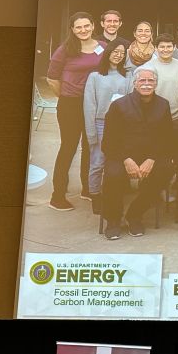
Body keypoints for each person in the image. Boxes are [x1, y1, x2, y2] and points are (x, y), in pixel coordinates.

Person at [100, 68, 173, 239]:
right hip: (121, 155)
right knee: (113, 175)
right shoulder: (119, 105)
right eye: (142, 80)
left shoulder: (163, 105)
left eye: (150, 81)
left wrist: (152, 159)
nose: (147, 84)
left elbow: (166, 137)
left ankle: (135, 214)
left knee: (165, 171)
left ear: (156, 84)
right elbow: (109, 140)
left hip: (151, 155)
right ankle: (113, 219)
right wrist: (126, 160)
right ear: (134, 83)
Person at [46, 11, 105, 211]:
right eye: (78, 27)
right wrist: (65, 95)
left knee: (91, 146)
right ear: (72, 29)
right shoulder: (65, 50)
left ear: (93, 26)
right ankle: (57, 196)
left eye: (86, 25)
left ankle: (87, 188)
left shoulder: (102, 47)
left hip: (94, 104)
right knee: (68, 147)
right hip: (71, 104)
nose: (83, 30)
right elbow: (51, 78)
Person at [82, 40, 132, 215]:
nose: (118, 55)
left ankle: (114, 193)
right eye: (115, 51)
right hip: (100, 123)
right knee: (98, 162)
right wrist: (91, 133)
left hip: (121, 124)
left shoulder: (128, 76)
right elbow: (89, 105)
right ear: (108, 52)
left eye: (122, 53)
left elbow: (130, 101)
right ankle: (95, 195)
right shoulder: (95, 76)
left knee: (117, 160)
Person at [141, 33, 178, 125]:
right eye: (162, 47)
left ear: (174, 47)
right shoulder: (147, 67)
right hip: (153, 116)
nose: (165, 50)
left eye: (169, 46)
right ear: (156, 48)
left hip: (177, 117)